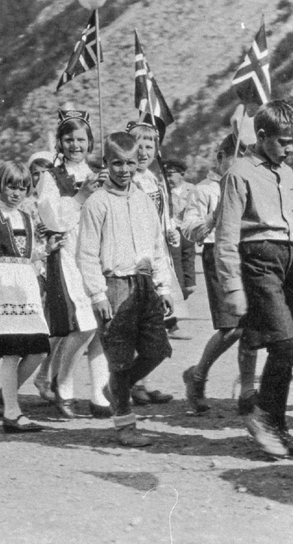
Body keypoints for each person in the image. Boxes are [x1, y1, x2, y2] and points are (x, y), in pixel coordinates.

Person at [216, 99, 293, 458]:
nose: (290, 149)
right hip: (259, 262)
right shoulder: (239, 173)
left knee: (288, 349)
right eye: (283, 142)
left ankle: (278, 425)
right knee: (285, 342)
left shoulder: (288, 174)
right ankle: (261, 417)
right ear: (261, 136)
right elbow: (227, 236)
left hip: (288, 264)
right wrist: (232, 287)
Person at [76, 132, 174, 447]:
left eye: (130, 163)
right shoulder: (97, 202)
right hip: (113, 285)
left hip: (144, 284)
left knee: (158, 348)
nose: (124, 170)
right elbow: (87, 254)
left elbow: (158, 247)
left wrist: (163, 285)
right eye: (116, 163)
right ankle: (124, 423)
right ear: (106, 163)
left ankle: (115, 389)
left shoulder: (144, 199)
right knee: (118, 358)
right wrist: (97, 294)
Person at [36, 110, 112, 417]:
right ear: (59, 142)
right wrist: (81, 196)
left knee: (102, 327)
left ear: (90, 142)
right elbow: (52, 219)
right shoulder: (50, 178)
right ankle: (63, 382)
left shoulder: (101, 175)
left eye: (81, 139)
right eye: (69, 139)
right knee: (84, 326)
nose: (75, 145)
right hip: (68, 256)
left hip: (99, 255)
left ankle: (99, 393)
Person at [181, 133, 259, 415]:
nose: (238, 166)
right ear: (220, 158)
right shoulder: (204, 190)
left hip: (248, 254)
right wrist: (213, 219)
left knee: (251, 325)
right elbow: (188, 229)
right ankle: (198, 375)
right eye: (233, 160)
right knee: (232, 327)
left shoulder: (249, 183)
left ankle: (248, 391)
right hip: (217, 255)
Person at [0, 166, 53, 431]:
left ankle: (6, 394)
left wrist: (46, 250)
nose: (16, 193)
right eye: (11, 186)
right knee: (10, 351)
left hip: (25, 285)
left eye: (22, 188)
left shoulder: (27, 218)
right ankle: (11, 411)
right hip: (2, 285)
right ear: (0, 185)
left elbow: (30, 255)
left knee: (40, 348)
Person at [127, 121, 180, 403]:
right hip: (136, 255)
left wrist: (169, 228)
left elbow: (162, 213)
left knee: (153, 319)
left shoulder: (154, 180)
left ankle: (142, 382)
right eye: (139, 146)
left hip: (156, 251)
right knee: (138, 323)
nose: (145, 151)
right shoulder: (130, 180)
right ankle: (131, 383)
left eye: (150, 146)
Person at [164, 158, 198, 299]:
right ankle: (180, 287)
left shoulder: (191, 189)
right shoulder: (165, 191)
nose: (167, 177)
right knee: (175, 257)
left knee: (189, 255)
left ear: (181, 174)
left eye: (170, 174)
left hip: (187, 228)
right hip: (173, 228)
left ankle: (190, 285)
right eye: (165, 174)